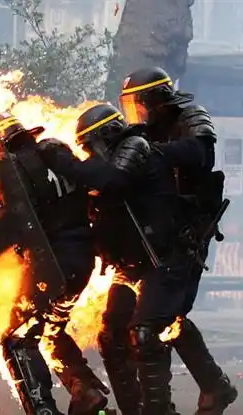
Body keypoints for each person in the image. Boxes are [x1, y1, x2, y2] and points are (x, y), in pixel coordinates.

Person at [38, 103, 191, 414]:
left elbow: (113, 179)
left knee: (145, 334)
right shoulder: (104, 168)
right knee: (111, 338)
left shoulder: (135, 147)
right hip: (129, 266)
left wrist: (63, 159)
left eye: (91, 148)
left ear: (105, 135)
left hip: (159, 260)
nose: (90, 156)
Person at [119, 67, 237, 414]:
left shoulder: (192, 117)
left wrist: (153, 154)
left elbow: (198, 154)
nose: (136, 112)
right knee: (170, 315)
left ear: (156, 100)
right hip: (157, 235)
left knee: (151, 324)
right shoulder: (143, 132)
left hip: (187, 234)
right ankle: (215, 386)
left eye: (139, 103)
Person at [0, 113, 110, 415]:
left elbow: (18, 219)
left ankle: (42, 410)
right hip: (82, 260)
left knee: (17, 338)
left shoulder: (7, 165)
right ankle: (85, 392)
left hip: (52, 264)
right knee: (50, 331)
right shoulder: (56, 151)